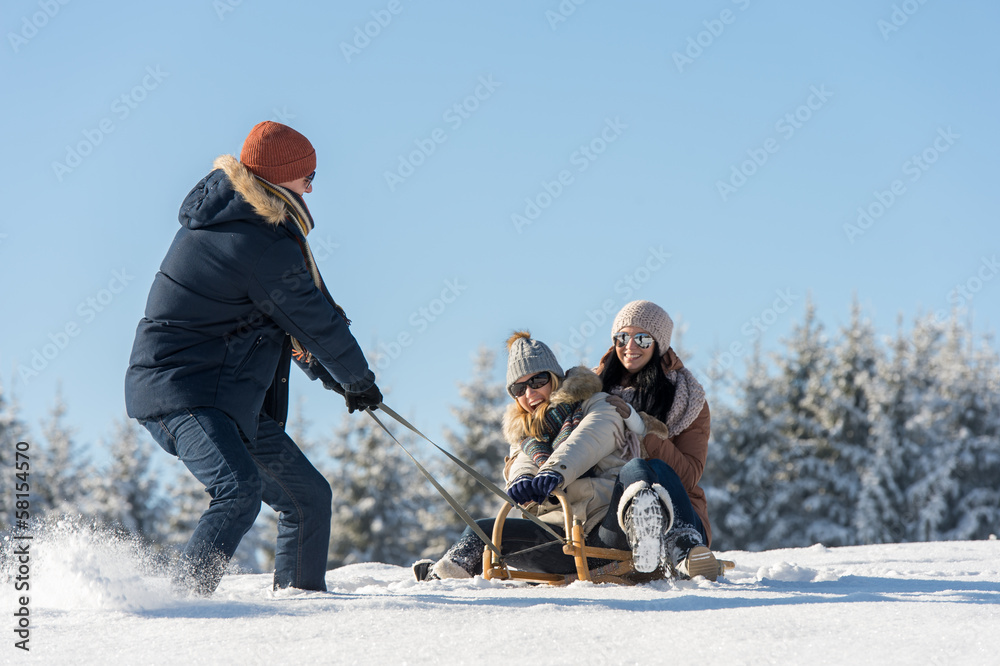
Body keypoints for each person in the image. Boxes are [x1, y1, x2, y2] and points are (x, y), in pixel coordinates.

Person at [124, 121, 383, 596]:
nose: (311, 186)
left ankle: (303, 608)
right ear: (279, 176)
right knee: (237, 490)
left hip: (226, 396)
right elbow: (313, 317)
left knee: (307, 498)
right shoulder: (255, 238)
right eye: (307, 175)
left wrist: (337, 378)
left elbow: (285, 322)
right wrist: (358, 379)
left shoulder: (251, 225)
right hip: (183, 391)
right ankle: (182, 603)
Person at [413, 331, 675, 581]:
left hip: (605, 529)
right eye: (519, 388)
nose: (530, 393)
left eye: (538, 381)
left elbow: (591, 436)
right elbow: (521, 459)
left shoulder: (597, 403)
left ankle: (647, 540)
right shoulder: (524, 435)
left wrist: (554, 471)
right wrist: (522, 480)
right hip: (557, 539)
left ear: (555, 378)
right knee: (481, 530)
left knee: (638, 471)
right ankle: (442, 577)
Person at [596, 299, 721, 580]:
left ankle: (685, 549)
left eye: (642, 338)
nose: (630, 346)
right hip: (608, 515)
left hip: (681, 514)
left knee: (651, 468)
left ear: (659, 344)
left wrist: (641, 429)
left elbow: (688, 475)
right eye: (622, 337)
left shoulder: (687, 399)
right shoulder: (592, 390)